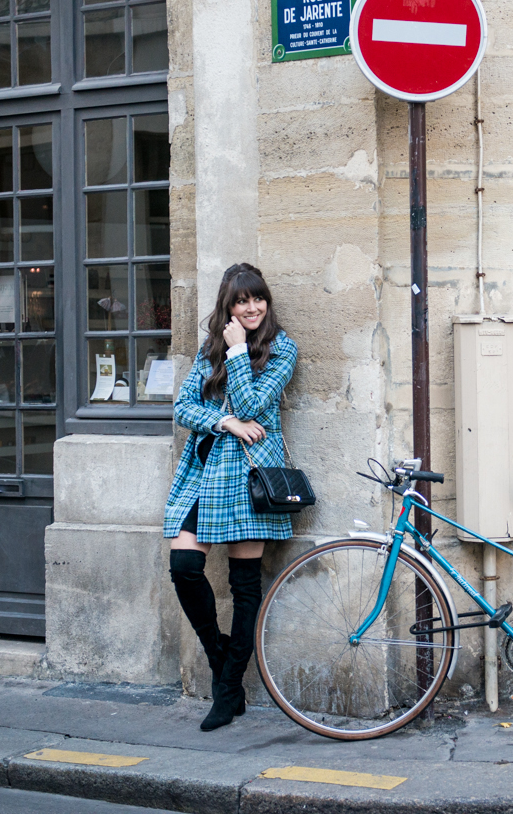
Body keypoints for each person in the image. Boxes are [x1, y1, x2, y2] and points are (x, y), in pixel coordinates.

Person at [165, 263, 297, 731]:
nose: (252, 307)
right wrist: (225, 423)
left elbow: (253, 405)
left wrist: (240, 352)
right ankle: (221, 659)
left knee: (244, 587)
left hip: (250, 475)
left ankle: (228, 689)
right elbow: (184, 407)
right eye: (242, 301)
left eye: (257, 298)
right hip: (207, 471)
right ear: (229, 305)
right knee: (184, 566)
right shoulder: (210, 349)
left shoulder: (282, 349)